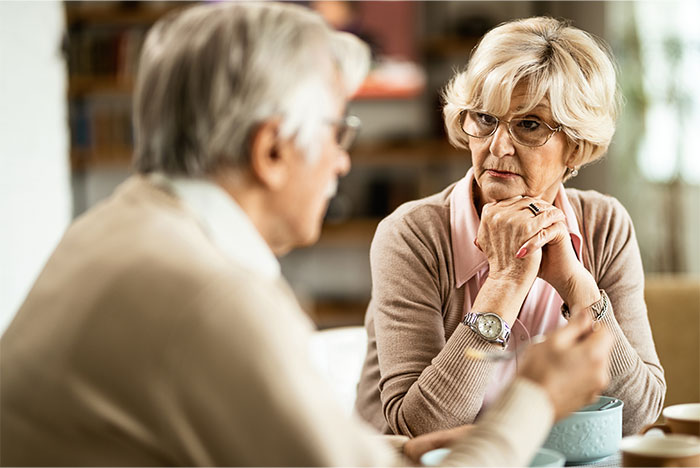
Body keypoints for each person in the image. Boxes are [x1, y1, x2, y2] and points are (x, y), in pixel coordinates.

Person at [1, 5, 612, 466]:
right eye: (334, 132)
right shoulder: (212, 299)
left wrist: (399, 456)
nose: (342, 162)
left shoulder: (113, 229)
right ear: (271, 150)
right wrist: (535, 397)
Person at [356, 16, 666, 438]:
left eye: (529, 125)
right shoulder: (411, 236)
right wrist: (503, 284)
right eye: (484, 118)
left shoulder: (605, 225)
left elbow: (639, 416)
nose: (497, 146)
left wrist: (577, 286)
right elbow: (420, 432)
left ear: (575, 145)